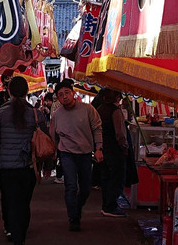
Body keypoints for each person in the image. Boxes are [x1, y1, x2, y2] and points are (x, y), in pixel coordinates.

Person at [0, 76, 39, 245]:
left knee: (11, 202)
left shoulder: (1, 114)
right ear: (27, 91)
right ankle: (20, 242)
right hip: (27, 167)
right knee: (23, 205)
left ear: (8, 91)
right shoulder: (34, 113)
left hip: (7, 168)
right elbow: (43, 138)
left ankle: (13, 235)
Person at [49, 79, 103, 231]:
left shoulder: (88, 109)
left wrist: (99, 148)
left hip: (86, 154)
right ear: (57, 99)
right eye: (60, 95)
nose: (64, 96)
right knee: (70, 186)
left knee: (86, 188)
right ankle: (73, 217)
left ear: (73, 93)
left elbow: (97, 128)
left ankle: (77, 208)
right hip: (67, 154)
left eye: (67, 93)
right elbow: (53, 136)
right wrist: (53, 152)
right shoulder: (56, 115)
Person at [95, 88, 129, 217]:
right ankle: (110, 206)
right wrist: (124, 147)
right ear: (117, 98)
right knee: (116, 178)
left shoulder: (99, 110)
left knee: (106, 178)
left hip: (102, 149)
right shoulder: (115, 111)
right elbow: (120, 134)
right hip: (114, 150)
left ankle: (106, 205)